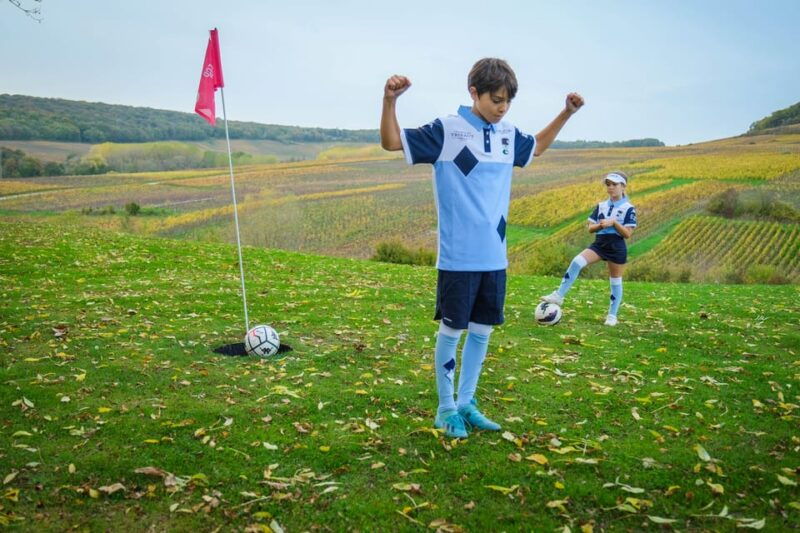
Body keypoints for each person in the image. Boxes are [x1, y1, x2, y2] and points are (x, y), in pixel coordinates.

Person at [380, 58, 584, 438]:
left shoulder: (507, 135)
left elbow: (536, 148)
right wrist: (390, 100)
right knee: (452, 331)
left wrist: (565, 113)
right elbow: (392, 142)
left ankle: (467, 403)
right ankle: (445, 409)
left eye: (508, 101)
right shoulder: (447, 131)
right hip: (458, 259)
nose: (502, 108)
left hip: (495, 257)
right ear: (473, 93)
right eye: (496, 100)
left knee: (482, 332)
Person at [541, 171, 637, 326]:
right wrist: (600, 225)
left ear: (623, 186)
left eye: (614, 184)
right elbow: (590, 228)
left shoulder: (628, 208)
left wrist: (614, 223)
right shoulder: (601, 205)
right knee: (577, 262)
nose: (610, 188)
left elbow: (627, 234)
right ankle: (559, 295)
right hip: (599, 243)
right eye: (608, 184)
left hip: (616, 246)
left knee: (615, 281)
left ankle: (612, 316)